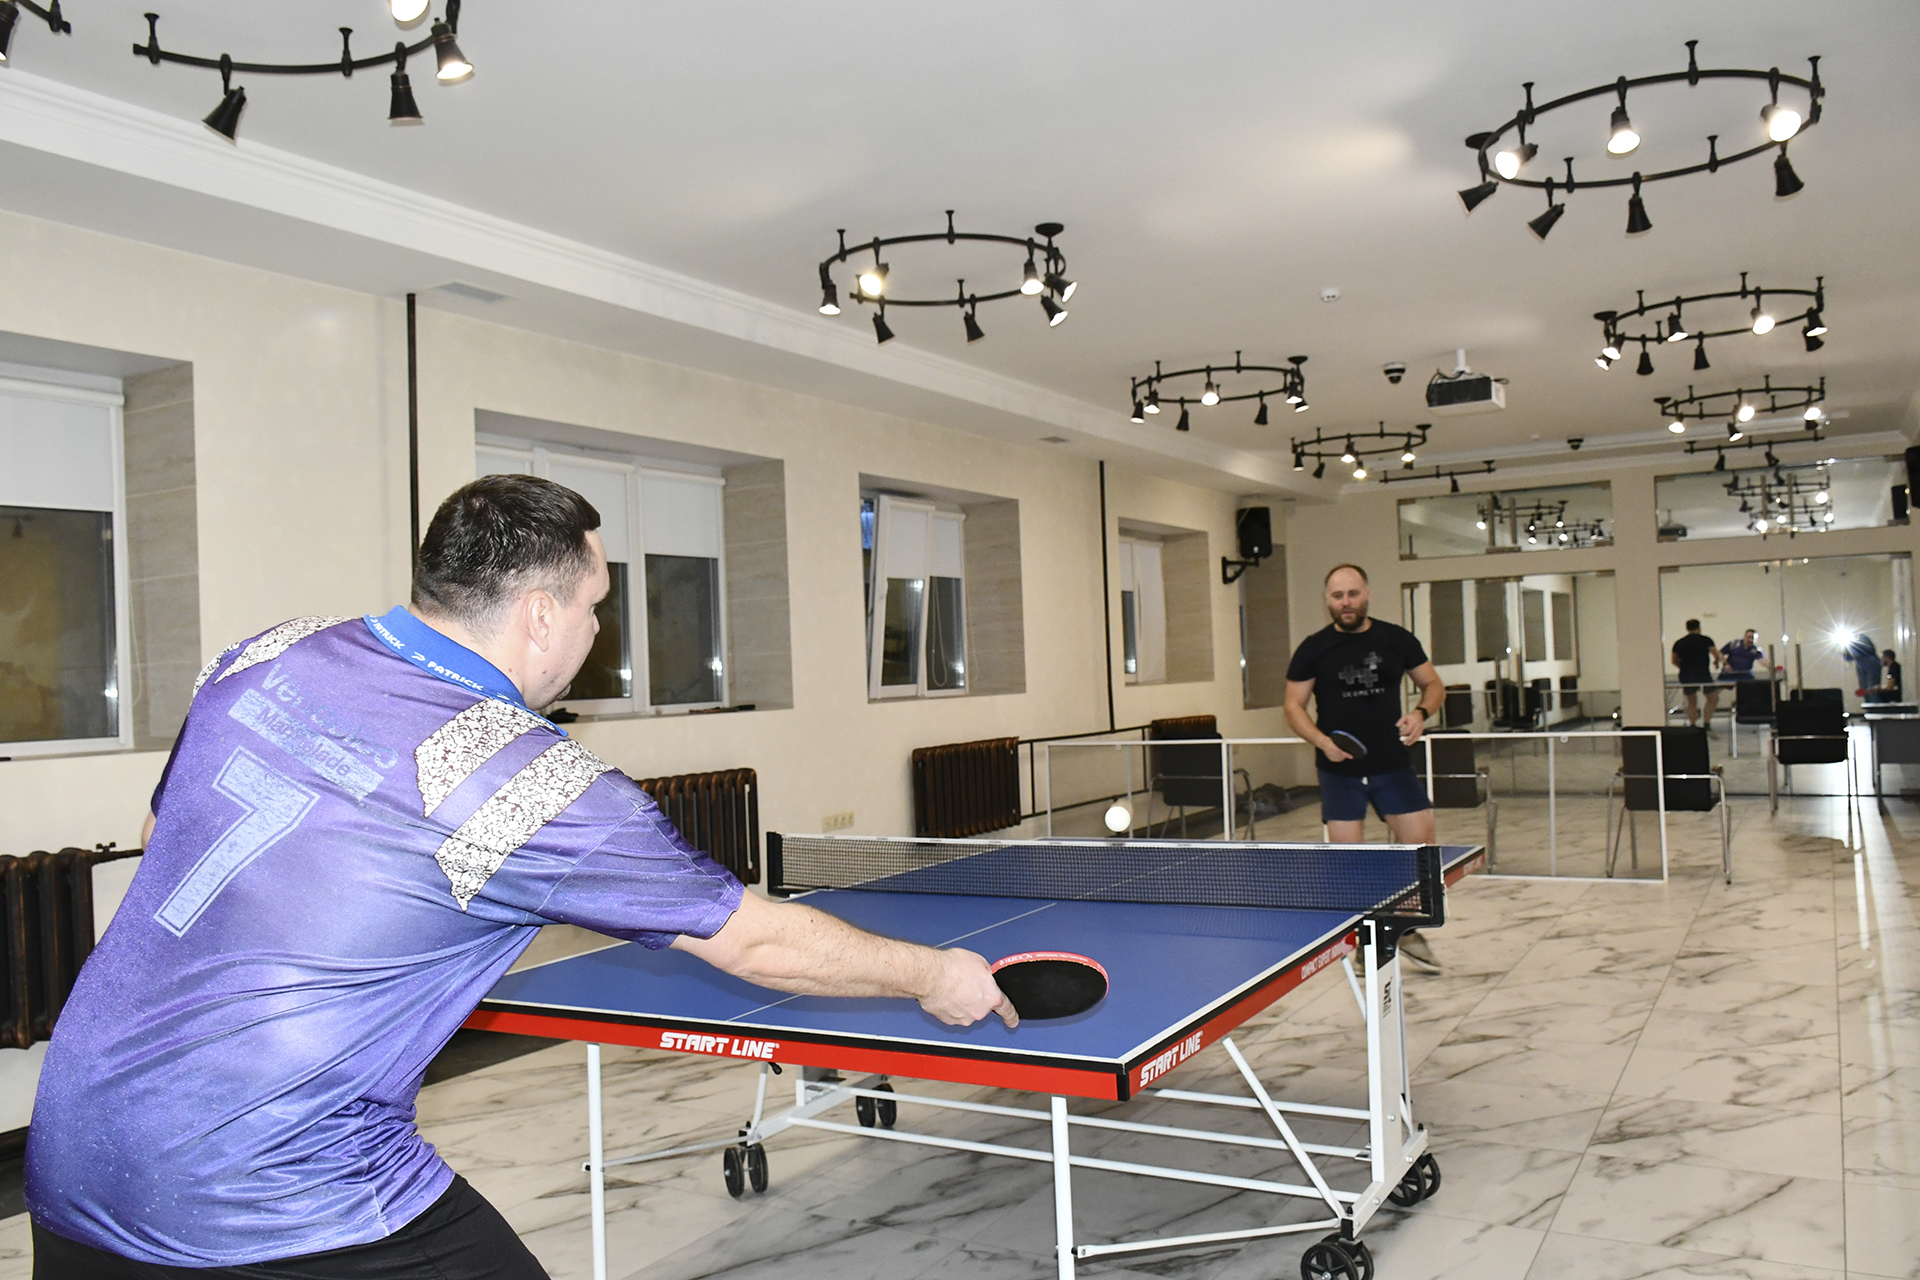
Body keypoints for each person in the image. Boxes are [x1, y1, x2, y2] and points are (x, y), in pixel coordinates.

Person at [26, 475, 1013, 1280]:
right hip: (282, 1189)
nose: (597, 631)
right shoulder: (534, 786)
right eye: (595, 606)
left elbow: (161, 831)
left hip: (74, 1147)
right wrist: (934, 974)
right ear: (541, 614)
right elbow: (754, 940)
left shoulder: (269, 653)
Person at [1283, 563, 1445, 972]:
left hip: (1393, 764)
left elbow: (1433, 684)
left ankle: (1404, 929)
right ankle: (1365, 943)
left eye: (1353, 594)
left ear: (1367, 594)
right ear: (1327, 600)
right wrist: (1323, 742)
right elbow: (1293, 706)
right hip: (1339, 773)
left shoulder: (1396, 638)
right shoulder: (1313, 648)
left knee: (1421, 851)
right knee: (1349, 865)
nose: (1346, 602)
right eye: (1338, 596)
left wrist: (1420, 713)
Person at [1671, 619, 1720, 727]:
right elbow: (1716, 655)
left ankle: (1692, 724)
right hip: (1703, 674)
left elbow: (1673, 660)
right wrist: (1716, 662)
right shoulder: (1706, 640)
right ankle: (1706, 722)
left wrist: (1683, 667)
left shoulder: (1679, 643)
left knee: (1691, 701)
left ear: (1687, 628)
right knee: (1713, 698)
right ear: (1699, 628)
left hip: (1687, 675)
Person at [1845, 632, 1883, 699]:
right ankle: (1868, 703)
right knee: (1864, 690)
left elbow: (1870, 649)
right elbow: (1848, 658)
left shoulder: (1862, 637)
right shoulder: (1847, 643)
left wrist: (1853, 643)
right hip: (1860, 665)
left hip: (1871, 663)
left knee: (1872, 689)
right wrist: (1845, 650)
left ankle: (1874, 704)